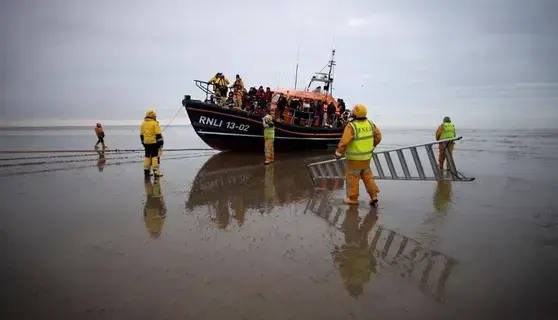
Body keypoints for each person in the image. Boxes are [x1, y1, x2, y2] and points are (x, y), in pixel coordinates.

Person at [334, 104, 382, 206]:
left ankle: (353, 198)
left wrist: (338, 153)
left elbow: (344, 142)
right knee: (368, 177)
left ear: (354, 113)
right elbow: (378, 136)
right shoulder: (370, 124)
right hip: (367, 158)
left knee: (353, 178)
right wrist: (372, 145)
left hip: (354, 160)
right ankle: (374, 196)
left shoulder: (351, 126)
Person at [140, 109, 164, 177]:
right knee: (155, 157)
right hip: (154, 143)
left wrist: (143, 143)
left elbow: (141, 135)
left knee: (147, 157)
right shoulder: (155, 123)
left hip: (146, 143)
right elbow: (158, 134)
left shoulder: (143, 123)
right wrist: (161, 144)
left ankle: (146, 171)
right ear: (153, 116)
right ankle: (156, 172)